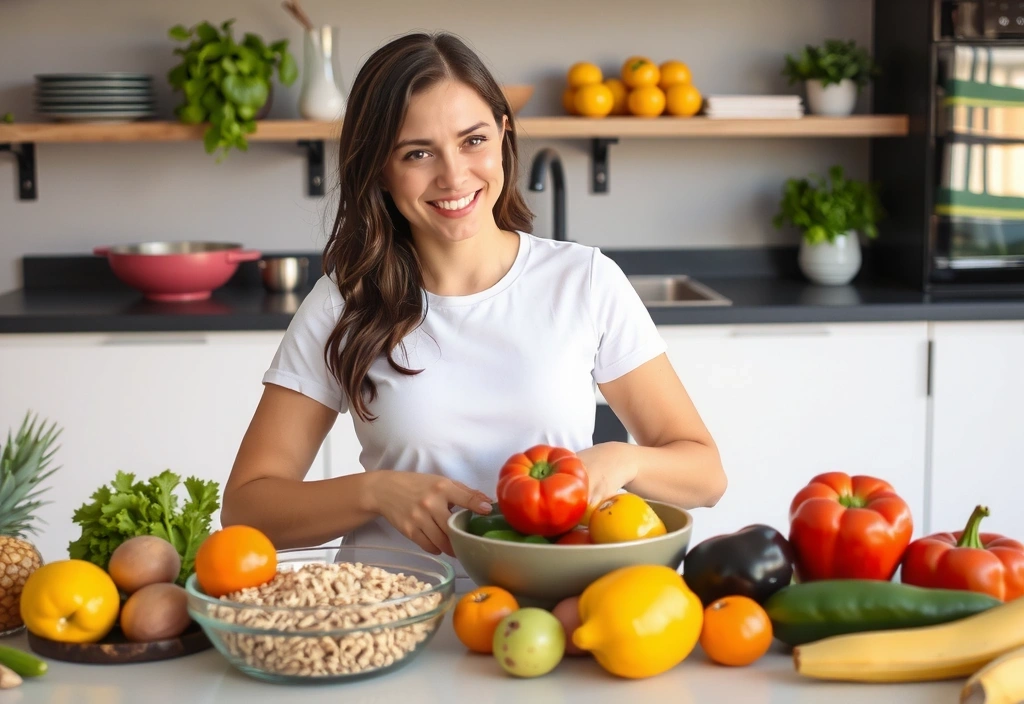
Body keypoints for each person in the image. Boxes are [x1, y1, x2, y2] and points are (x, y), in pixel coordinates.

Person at [221, 31, 726, 583]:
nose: (454, 176)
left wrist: (623, 459)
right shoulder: (345, 301)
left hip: (549, 607)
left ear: (504, 135)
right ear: (381, 168)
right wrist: (374, 491)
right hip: (391, 612)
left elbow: (705, 476)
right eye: (417, 153)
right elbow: (246, 508)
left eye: (473, 140)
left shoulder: (584, 281)